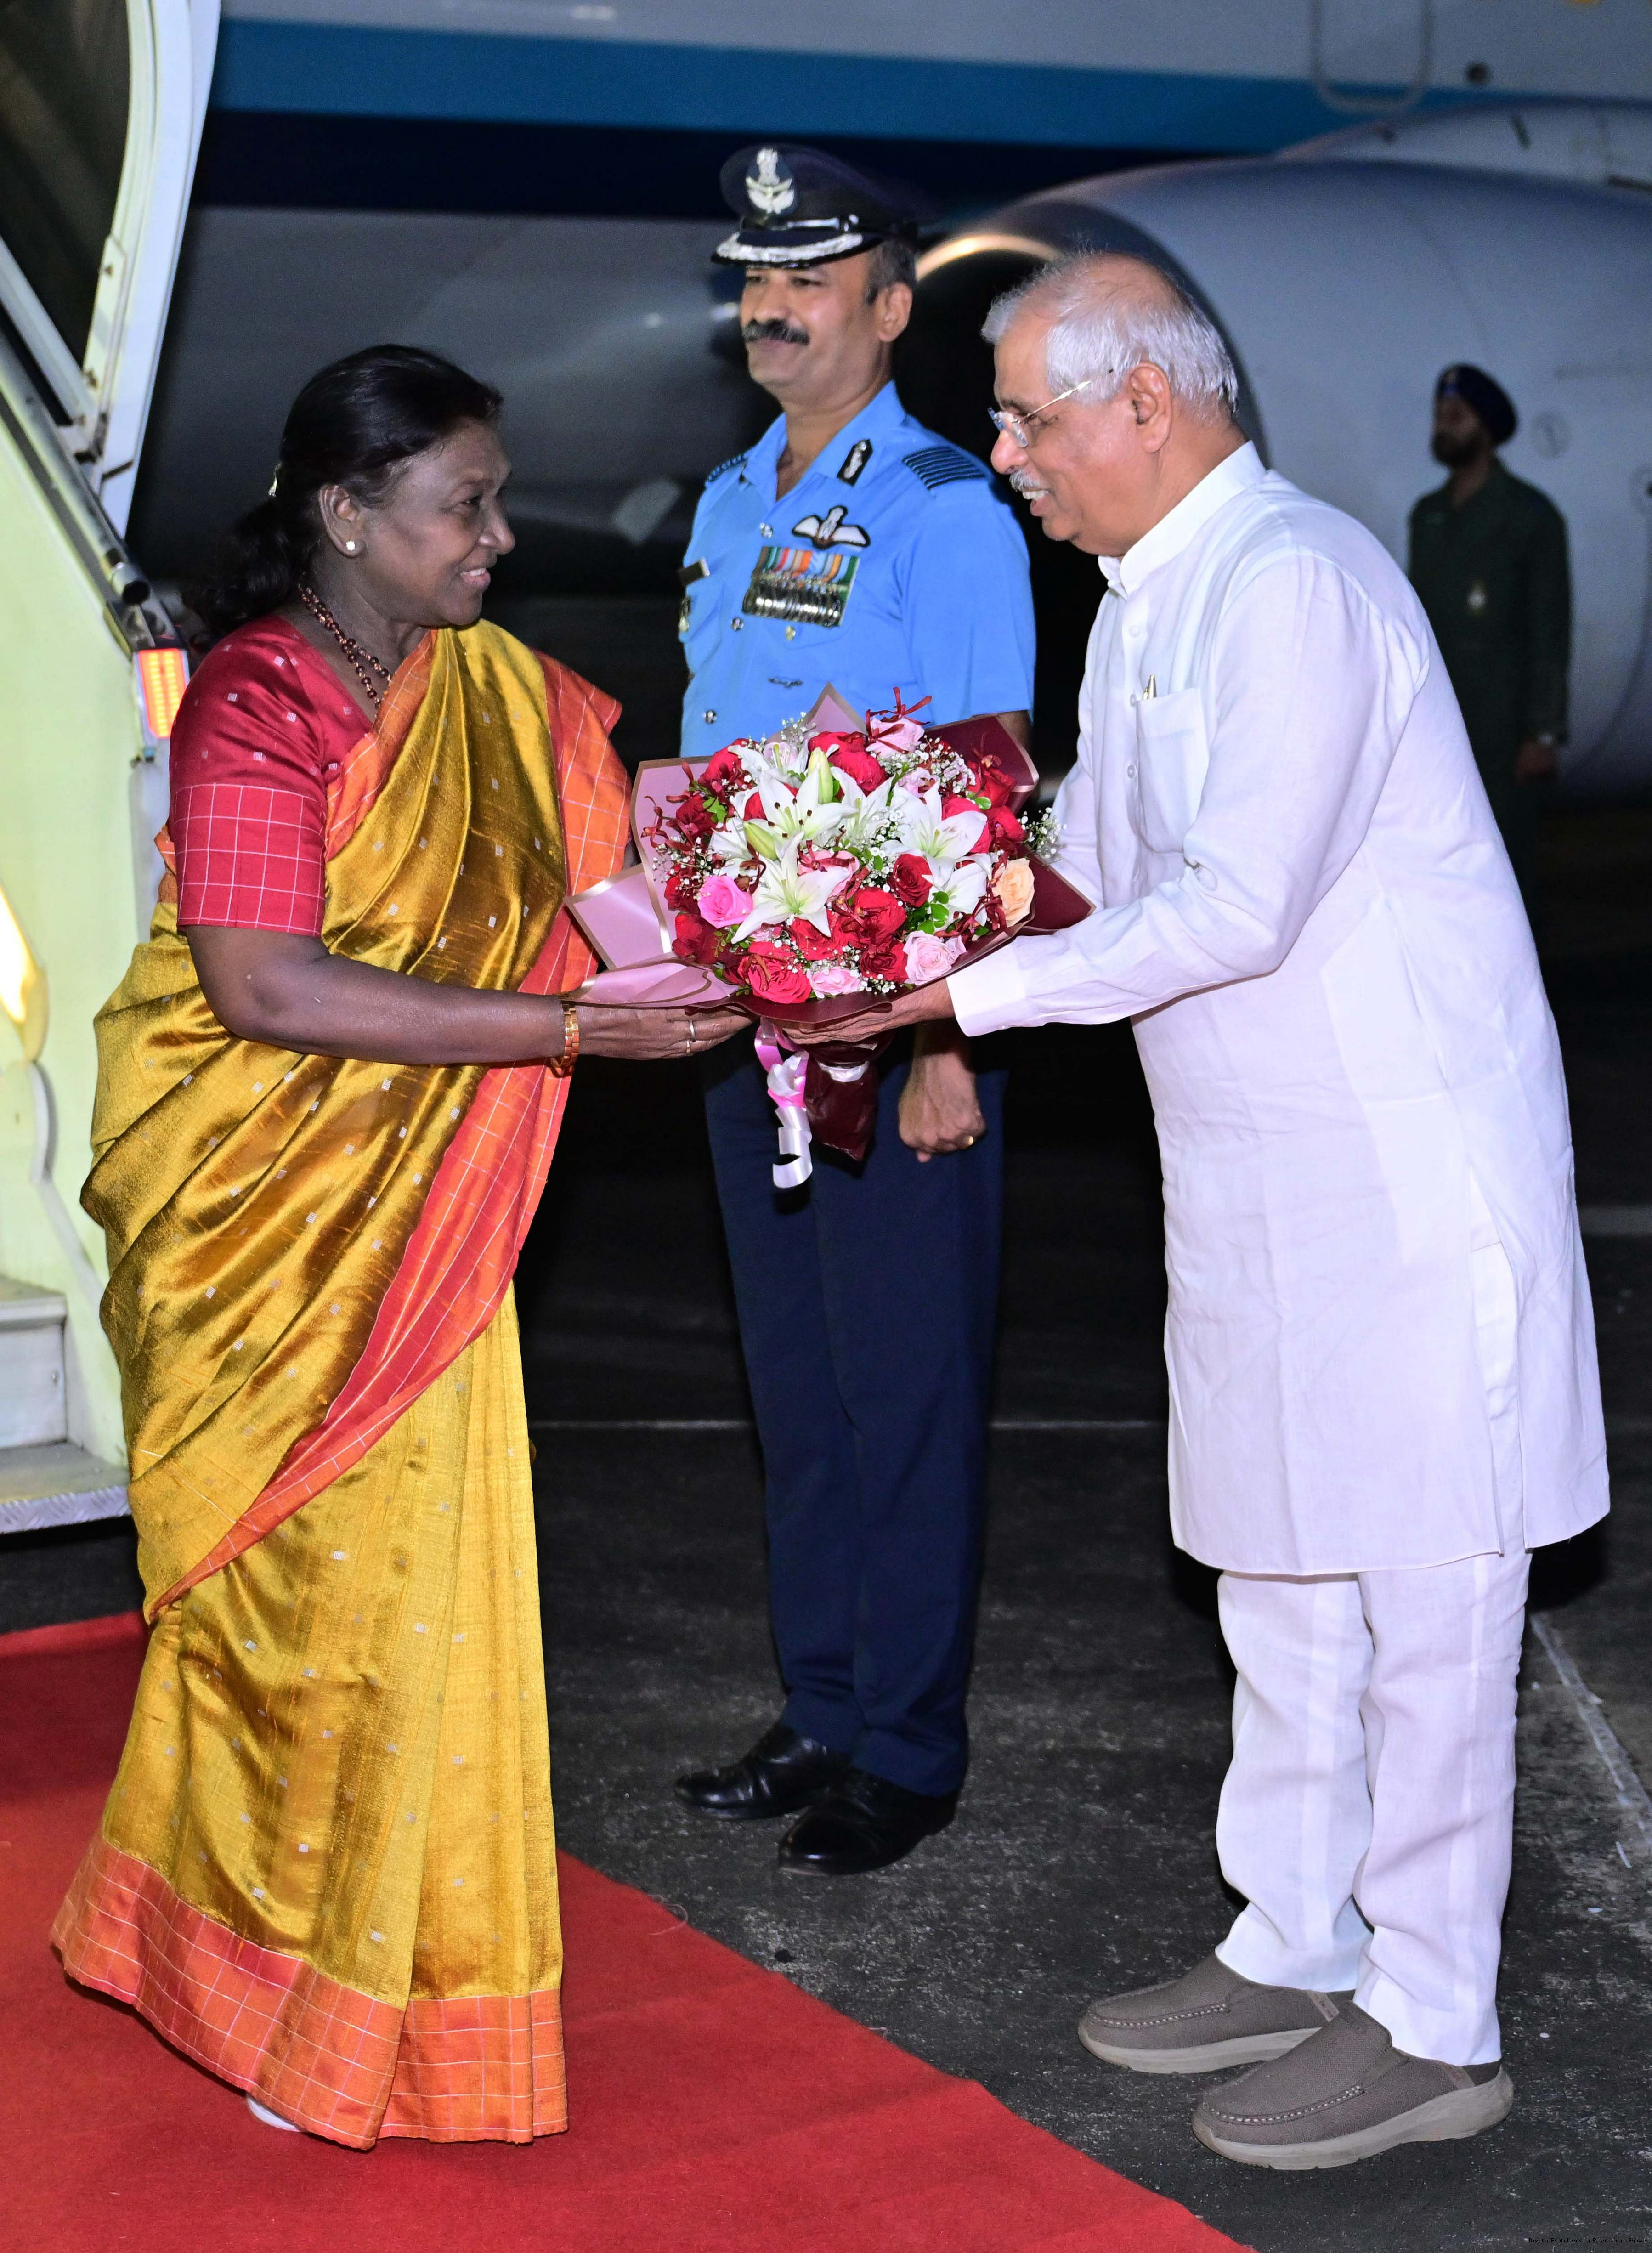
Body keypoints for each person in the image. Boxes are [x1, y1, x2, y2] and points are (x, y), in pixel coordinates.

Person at [791, 256, 1607, 2164]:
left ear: (1141, 405)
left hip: (1397, 1184)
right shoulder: (1149, 601)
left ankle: (1433, 2020)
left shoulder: (1295, 581)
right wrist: (873, 876)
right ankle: (1292, 1937)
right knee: (1277, 1576)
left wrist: (954, 996)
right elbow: (1081, 860)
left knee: (1419, 1603)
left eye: (1023, 417)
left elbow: (1233, 906)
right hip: (1253, 1184)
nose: (1004, 455)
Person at [51, 345, 742, 2147]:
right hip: (260, 1226)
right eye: (465, 507)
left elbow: (607, 884)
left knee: (412, 1620)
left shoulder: (497, 691)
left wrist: (781, 923)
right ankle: (263, 1983)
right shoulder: (257, 701)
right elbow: (262, 986)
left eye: (496, 501)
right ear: (348, 515)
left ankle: (388, 1984)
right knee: (291, 1627)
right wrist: (571, 1033)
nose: (499, 538)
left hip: (424, 1227)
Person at [673, 145, 1035, 1876]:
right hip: (744, 1022)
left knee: (903, 1393)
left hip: (893, 1036)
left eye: (805, 281)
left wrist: (945, 1043)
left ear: (888, 309)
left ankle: (905, 1742)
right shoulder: (726, 498)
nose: (769, 308)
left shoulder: (943, 508)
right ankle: (818, 1702)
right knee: (796, 1389)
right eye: (753, 279)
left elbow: (983, 792)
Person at [1409, 365, 1571, 911]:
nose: (1442, 427)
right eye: (1439, 416)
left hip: (1504, 734)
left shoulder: (1529, 516)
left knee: (1505, 874)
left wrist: (1541, 733)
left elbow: (1549, 629)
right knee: (1441, 871)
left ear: (1486, 428)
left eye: (1456, 417)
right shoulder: (1427, 516)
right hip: (1441, 727)